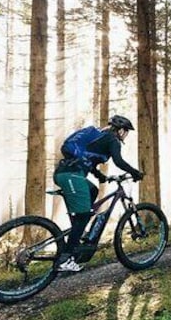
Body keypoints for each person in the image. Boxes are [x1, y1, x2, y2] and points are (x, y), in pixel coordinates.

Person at [53, 115, 144, 272]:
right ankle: (65, 259)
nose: (125, 135)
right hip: (72, 176)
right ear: (120, 130)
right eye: (126, 131)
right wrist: (135, 172)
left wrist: (99, 175)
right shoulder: (112, 140)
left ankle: (77, 236)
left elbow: (88, 160)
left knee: (92, 190)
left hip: (65, 174)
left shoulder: (100, 137)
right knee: (83, 216)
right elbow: (119, 161)